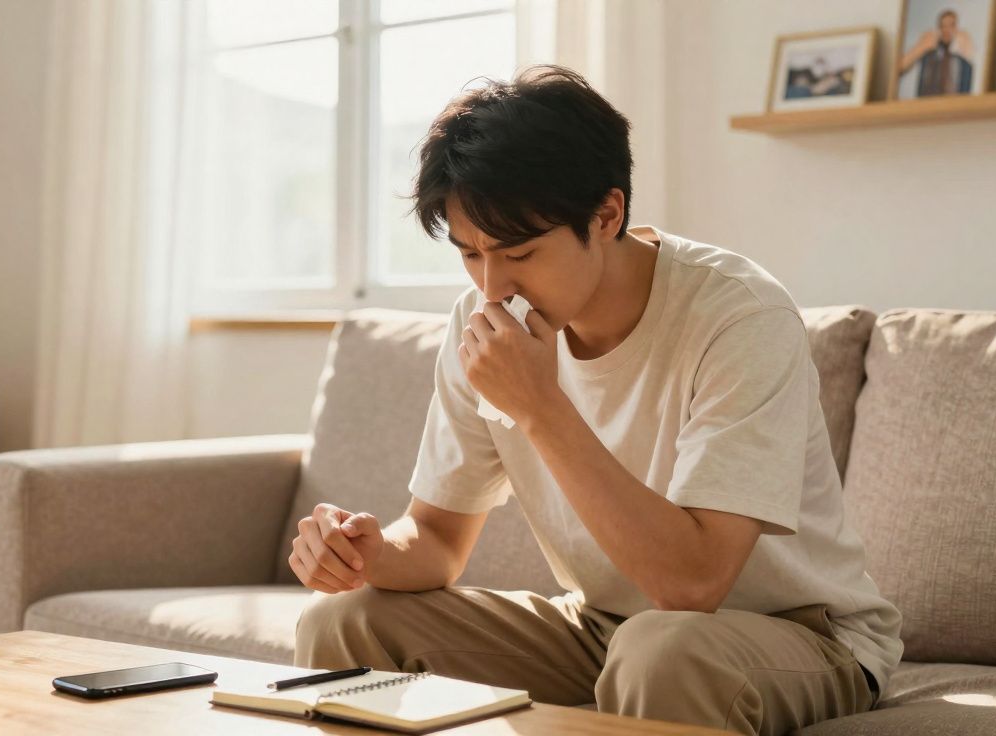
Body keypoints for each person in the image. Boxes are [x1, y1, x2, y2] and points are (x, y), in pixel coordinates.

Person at [288, 65, 902, 735]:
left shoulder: (738, 314)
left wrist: (540, 407)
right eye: (470, 254)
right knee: (343, 623)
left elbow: (693, 586)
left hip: (796, 634)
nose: (492, 288)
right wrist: (365, 551)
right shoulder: (480, 321)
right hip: (605, 627)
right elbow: (436, 539)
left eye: (518, 252)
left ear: (606, 215)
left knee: (662, 650)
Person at [899, 8, 974, 96]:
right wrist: (920, 47)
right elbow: (899, 68)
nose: (947, 30)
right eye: (943, 26)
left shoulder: (964, 59)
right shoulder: (927, 54)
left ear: (956, 28)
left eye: (951, 26)